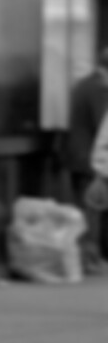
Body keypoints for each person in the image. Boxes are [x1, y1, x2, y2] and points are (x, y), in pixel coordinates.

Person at [65, 47, 108, 273]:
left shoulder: (87, 84)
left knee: (88, 208)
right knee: (91, 210)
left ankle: (87, 257)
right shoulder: (98, 88)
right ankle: (89, 259)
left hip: (82, 155)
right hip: (89, 159)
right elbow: (102, 122)